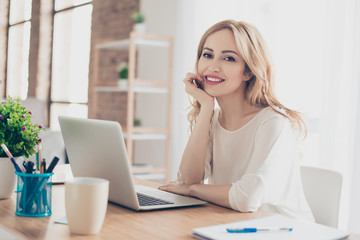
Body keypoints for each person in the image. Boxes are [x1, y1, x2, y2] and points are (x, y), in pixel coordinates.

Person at [159, 20, 314, 222]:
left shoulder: (273, 123)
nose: (213, 67)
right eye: (207, 55)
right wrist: (206, 107)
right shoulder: (213, 118)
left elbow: (247, 198)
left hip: (286, 230)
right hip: (236, 224)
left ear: (248, 71)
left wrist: (193, 190)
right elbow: (187, 179)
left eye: (229, 58)